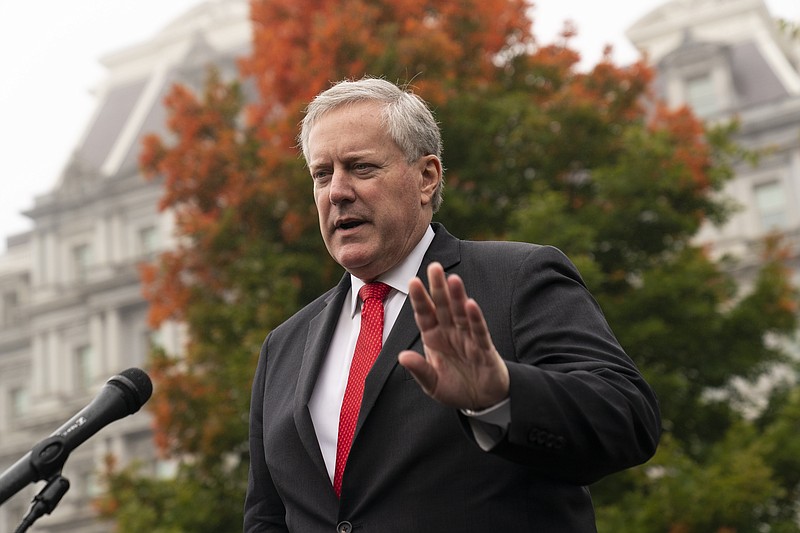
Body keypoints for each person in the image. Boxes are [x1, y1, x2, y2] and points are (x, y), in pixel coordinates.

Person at [244, 77, 661, 532]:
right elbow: (267, 516)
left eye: (361, 168)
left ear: (426, 178)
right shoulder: (282, 346)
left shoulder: (517, 279)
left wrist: (501, 396)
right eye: (322, 175)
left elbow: (627, 418)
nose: (336, 192)